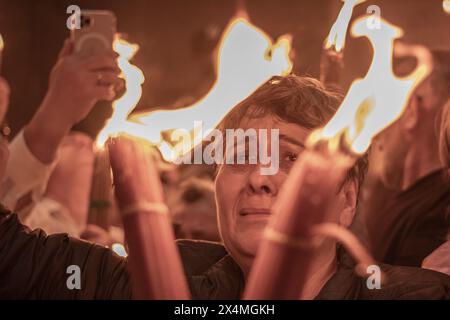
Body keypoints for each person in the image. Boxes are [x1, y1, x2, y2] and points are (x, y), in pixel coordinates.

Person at [1, 75, 450, 299]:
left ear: (346, 199)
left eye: (291, 158)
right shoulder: (164, 280)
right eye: (239, 157)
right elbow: (14, 258)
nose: (259, 177)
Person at [364, 50, 450, 266]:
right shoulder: (385, 195)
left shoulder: (440, 213)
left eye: (379, 108)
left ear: (410, 109)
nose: (373, 133)